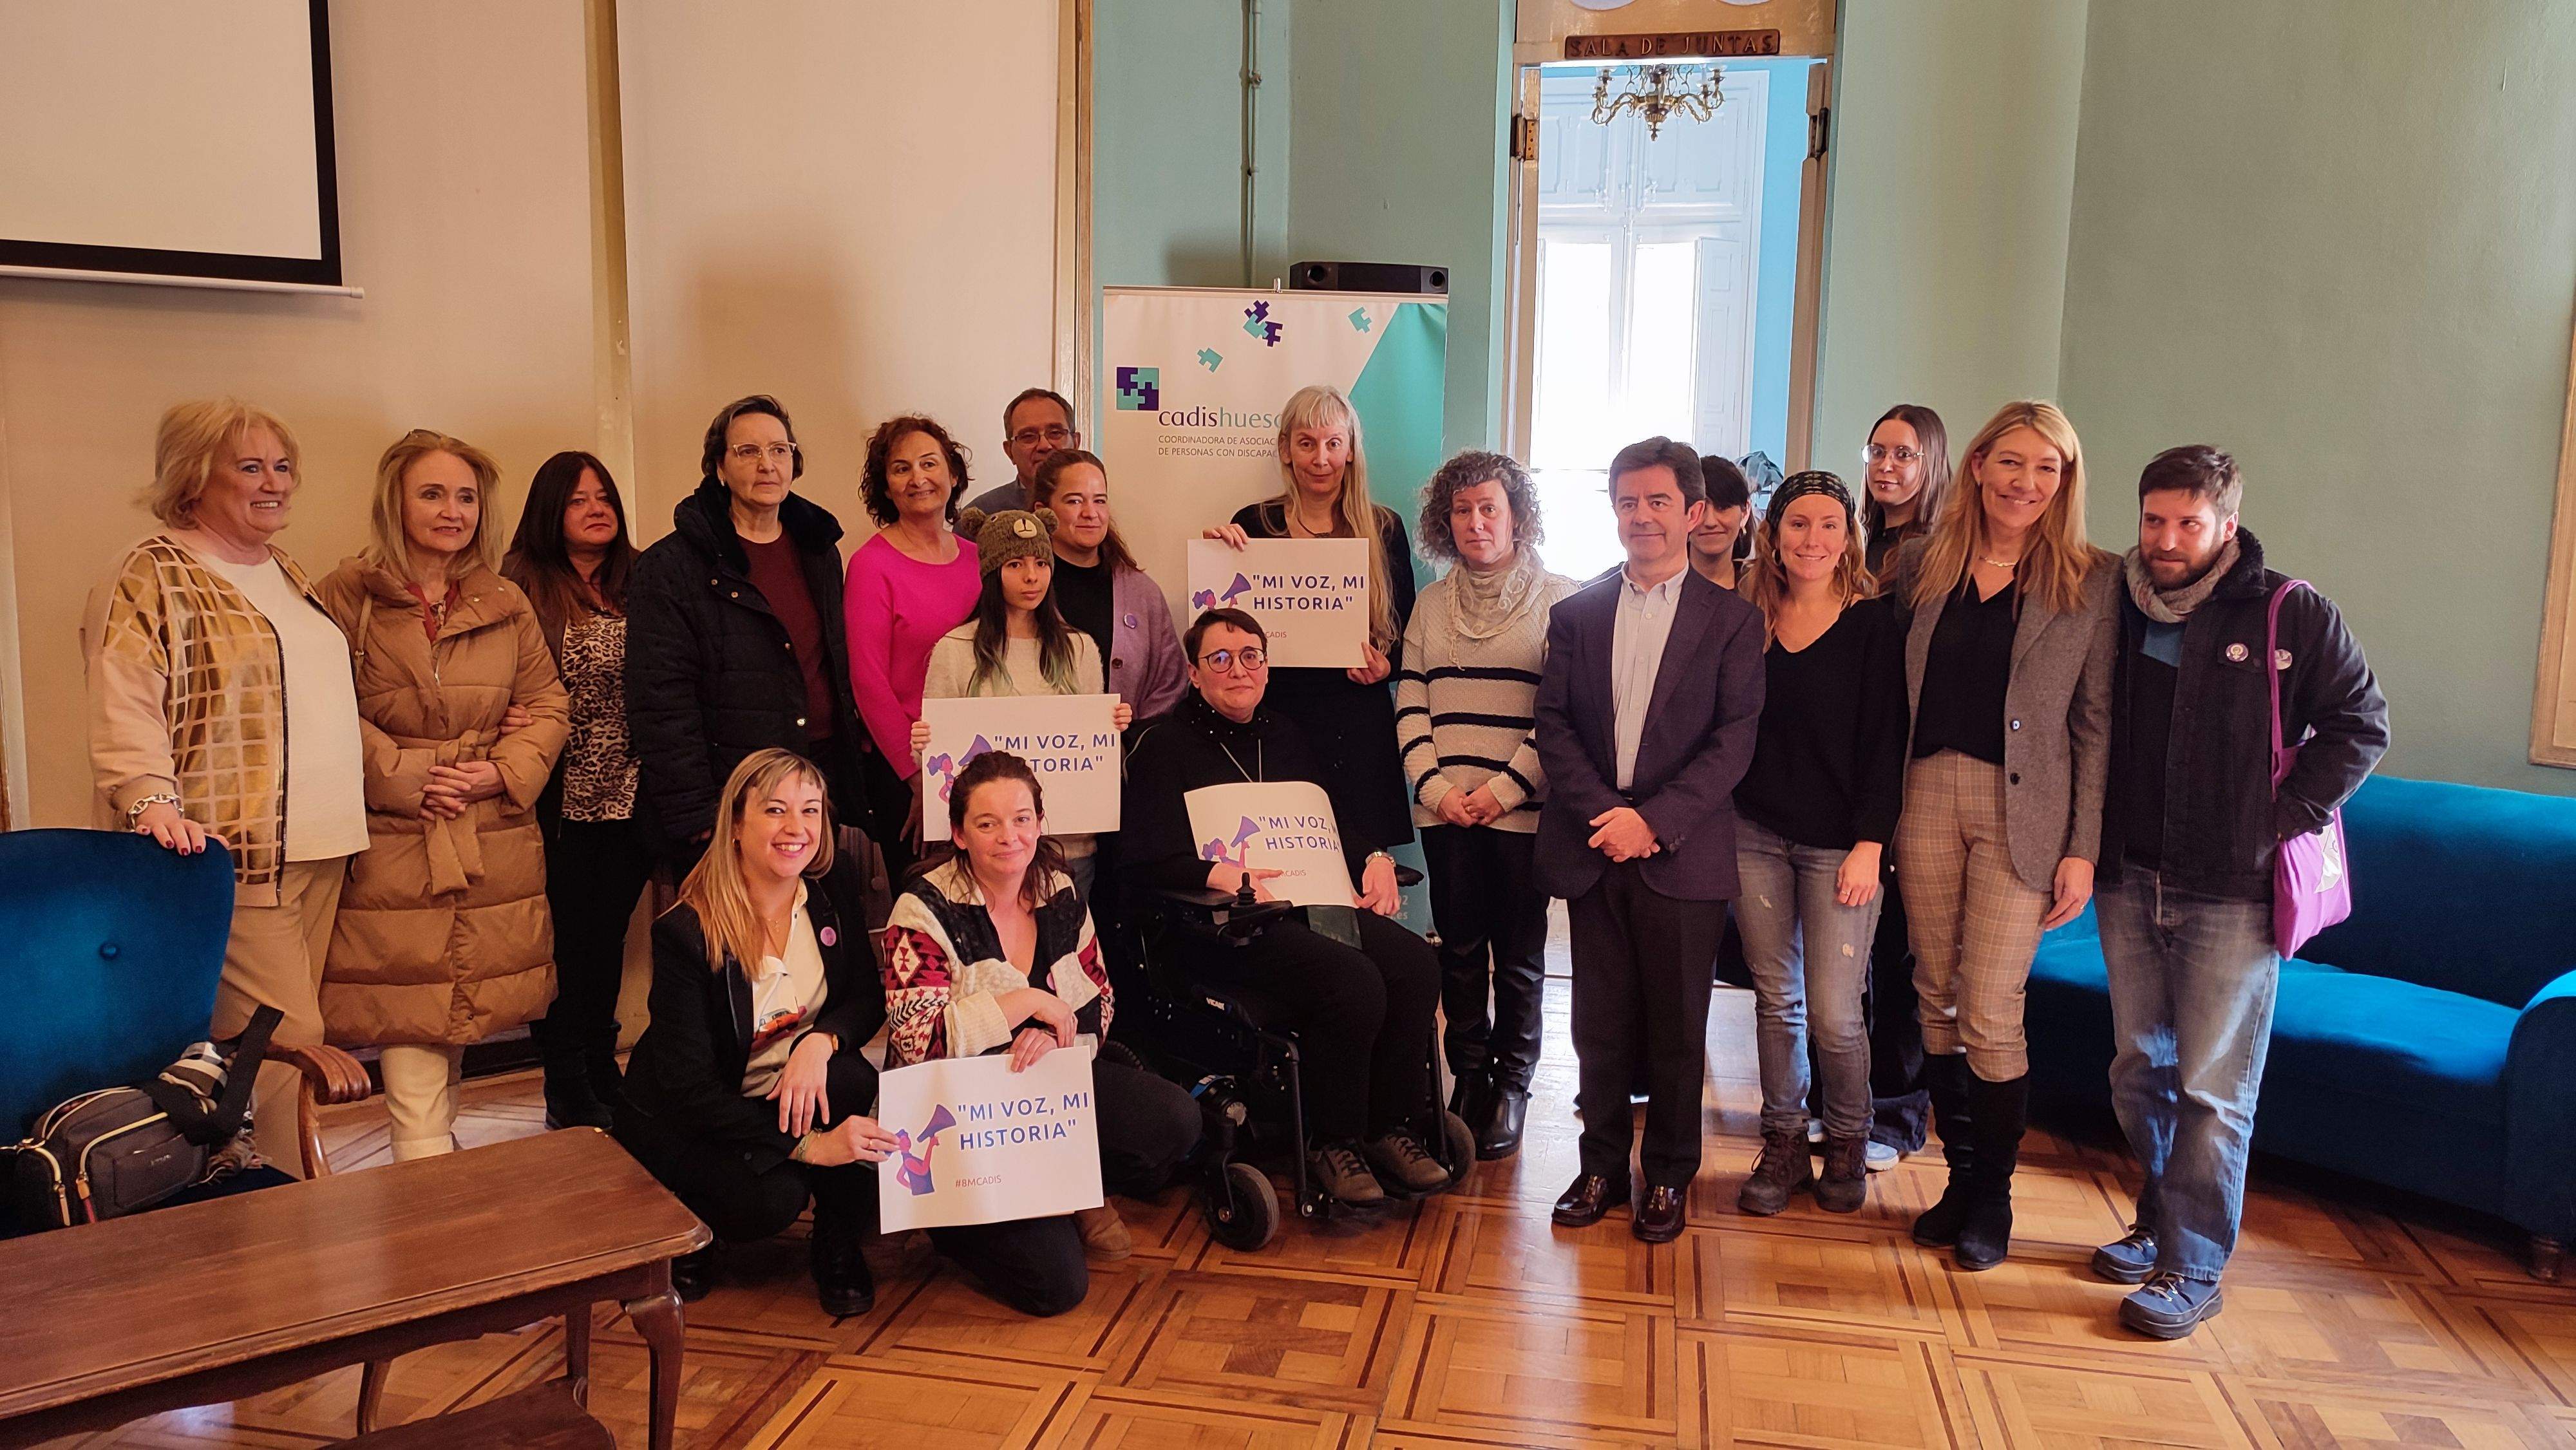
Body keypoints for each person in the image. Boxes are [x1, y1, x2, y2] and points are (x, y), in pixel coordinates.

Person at [2091, 446, 2387, 1337]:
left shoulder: (2288, 610)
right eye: (2153, 520)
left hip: (2233, 892)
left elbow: (2361, 723)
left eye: (2187, 523)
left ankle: (2193, 1265)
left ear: (2225, 524)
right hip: (2126, 878)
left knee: (2214, 1090)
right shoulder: (2115, 603)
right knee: (2138, 1071)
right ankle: (2157, 1218)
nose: (2166, 539)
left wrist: (2278, 819)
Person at [86, 399, 370, 1174]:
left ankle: (256, 1197)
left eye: (282, 466)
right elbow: (125, 693)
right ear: (193, 477)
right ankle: (291, 1217)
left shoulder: (285, 568)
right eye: (250, 467)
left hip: (323, 848)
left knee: (262, 1054)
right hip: (233, 852)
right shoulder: (152, 570)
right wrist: (149, 797)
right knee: (289, 1049)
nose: (274, 482)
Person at [1891, 399, 2117, 1270]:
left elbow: (2093, 724)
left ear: (2065, 481)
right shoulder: (1923, 562)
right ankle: (1957, 1180)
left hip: (2025, 814)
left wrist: (2082, 847)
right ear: (1979, 465)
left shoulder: (2092, 580)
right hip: (1924, 795)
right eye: (2012, 462)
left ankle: (1994, 1195)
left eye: (2046, 468)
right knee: (1935, 992)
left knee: (1989, 1005)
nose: (2026, 482)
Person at [1122, 608, 1447, 1206]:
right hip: (1226, 926)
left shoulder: (1285, 734)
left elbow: (1329, 820)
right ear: (1194, 673)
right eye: (1220, 659)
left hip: (1309, 906)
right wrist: (1219, 873)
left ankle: (1389, 1127)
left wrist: (1374, 856)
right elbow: (1143, 859)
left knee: (1416, 965)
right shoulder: (1162, 746)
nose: (1238, 670)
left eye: (1251, 656)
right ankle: (1334, 1140)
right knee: (1353, 980)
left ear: (1267, 668)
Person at [1535, 438, 1765, 1244]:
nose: (1642, 515)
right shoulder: (1576, 613)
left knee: (1676, 1029)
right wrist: (1608, 815)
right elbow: (1554, 726)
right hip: (1594, 844)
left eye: (1658, 501)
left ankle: (1667, 1174)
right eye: (1628, 501)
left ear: (1693, 512)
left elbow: (1733, 742)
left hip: (1682, 852)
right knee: (1597, 1026)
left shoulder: (1733, 621)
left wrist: (1653, 821)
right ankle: (1599, 1165)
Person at [317, 430, 570, 1162]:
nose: (452, 511)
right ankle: (424, 1182)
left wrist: (500, 771)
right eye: (432, 494)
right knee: (411, 1012)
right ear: (394, 501)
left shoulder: (504, 599)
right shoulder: (344, 595)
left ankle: (437, 1172)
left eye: (465, 497)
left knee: (458, 1014)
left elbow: (548, 702)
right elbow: (321, 707)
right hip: (395, 839)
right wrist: (407, 776)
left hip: (490, 831)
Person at [882, 751, 1204, 1312]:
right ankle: (946, 1221)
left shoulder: (1059, 889)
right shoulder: (922, 909)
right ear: (959, 833)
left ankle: (1076, 1186)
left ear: (1039, 823)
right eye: (987, 823)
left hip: (1047, 1093)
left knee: (1176, 1119)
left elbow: (1099, 999)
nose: (1009, 836)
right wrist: (1027, 1004)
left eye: (1022, 819)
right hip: (958, 1119)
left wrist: (1058, 1039)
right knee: (1056, 1287)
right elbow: (918, 1042)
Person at [617, 749, 893, 1314]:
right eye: (775, 810)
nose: (797, 828)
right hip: (698, 1117)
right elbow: (690, 1089)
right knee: (769, 1201)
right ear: (737, 826)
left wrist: (820, 1041)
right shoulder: (687, 931)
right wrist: (810, 1147)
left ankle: (836, 1245)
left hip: (783, 1087)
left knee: (851, 1080)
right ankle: (693, 1227)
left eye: (810, 810)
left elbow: (866, 998)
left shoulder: (831, 885)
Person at [1727, 473, 1908, 1217]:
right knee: (1778, 1001)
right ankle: (1782, 1139)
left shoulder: (1873, 624)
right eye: (1797, 523)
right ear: (1773, 535)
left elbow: (1886, 744)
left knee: (1835, 1011)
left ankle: (1847, 1138)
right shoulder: (1748, 622)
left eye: (1828, 524)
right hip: (1754, 834)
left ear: (1848, 536)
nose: (1812, 539)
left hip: (1842, 845)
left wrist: (1871, 843)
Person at [1396, 450, 1578, 1160]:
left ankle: (1512, 1084)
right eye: (1462, 510)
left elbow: (1561, 715)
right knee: (1461, 951)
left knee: (1520, 957)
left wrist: (1502, 791)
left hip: (1521, 814)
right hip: (1445, 813)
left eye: (1489, 508)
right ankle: (1468, 1076)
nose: (1476, 522)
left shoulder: (1561, 600)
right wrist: (1436, 788)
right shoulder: (1430, 603)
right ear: (1445, 522)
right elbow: (1411, 698)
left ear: (1517, 515)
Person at [627, 395, 866, 870]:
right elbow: (660, 700)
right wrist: (697, 813)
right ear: (719, 466)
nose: (767, 465)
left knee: (810, 916)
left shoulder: (819, 550)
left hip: (814, 783)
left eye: (779, 450)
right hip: (730, 797)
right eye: (748, 451)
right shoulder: (671, 566)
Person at [1201, 384, 1417, 858]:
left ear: (1351, 450)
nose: (1321, 459)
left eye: (1334, 443)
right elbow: (1222, 631)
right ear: (1286, 450)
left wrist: (1386, 666)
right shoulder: (1252, 525)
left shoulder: (1385, 528)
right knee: (1283, 866)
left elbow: (1408, 639)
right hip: (1279, 719)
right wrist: (1217, 560)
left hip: (1357, 727)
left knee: (1366, 871)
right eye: (1307, 443)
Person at [503, 450, 650, 1131]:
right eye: (577, 499)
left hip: (633, 790)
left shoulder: (642, 578)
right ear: (549, 511)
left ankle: (601, 1065)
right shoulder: (518, 586)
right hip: (556, 795)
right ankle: (566, 1080)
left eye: (604, 497)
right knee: (565, 945)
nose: (596, 509)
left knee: (609, 938)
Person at [914, 508, 1134, 902]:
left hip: (1068, 845)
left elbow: (1096, 752)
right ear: (992, 573)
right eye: (1015, 564)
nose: (1032, 576)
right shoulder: (956, 650)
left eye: (1041, 563)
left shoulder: (1079, 648)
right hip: (990, 851)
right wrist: (923, 743)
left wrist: (1112, 726)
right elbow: (935, 761)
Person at [845, 414, 983, 877]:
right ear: (886, 486)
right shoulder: (871, 565)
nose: (918, 478)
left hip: (981, 760)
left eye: (929, 463)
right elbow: (869, 683)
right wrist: (919, 778)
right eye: (901, 468)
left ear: (953, 474)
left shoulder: (979, 558)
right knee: (925, 900)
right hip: (906, 769)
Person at [1027, 448, 1186, 724]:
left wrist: (1130, 737)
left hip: (1129, 749)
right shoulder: (1022, 589)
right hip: (1036, 744)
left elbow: (1170, 684)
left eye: (1099, 501)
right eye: (1075, 501)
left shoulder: (1142, 593)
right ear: (1043, 512)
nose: (1091, 513)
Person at [1862, 404, 1951, 576]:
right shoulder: (1855, 545)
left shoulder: (1939, 553)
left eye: (1903, 455)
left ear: (1931, 462)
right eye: (1877, 452)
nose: (1885, 466)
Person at [963, 386, 1083, 516]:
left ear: (1076, 443)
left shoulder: (1095, 512)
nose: (1044, 446)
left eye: (1055, 433)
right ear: (1009, 451)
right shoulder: (981, 515)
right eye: (1028, 436)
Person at [1689, 455, 1755, 591]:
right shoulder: (1658, 585)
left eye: (1723, 507)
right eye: (1701, 509)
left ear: (1745, 511)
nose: (1710, 522)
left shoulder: (1762, 590)